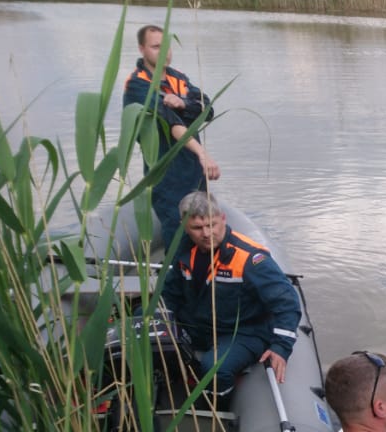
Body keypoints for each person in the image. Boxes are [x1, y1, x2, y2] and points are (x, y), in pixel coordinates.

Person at [161, 192, 300, 397]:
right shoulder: (183, 251)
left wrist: (281, 347)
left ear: (223, 218)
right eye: (198, 228)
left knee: (215, 369)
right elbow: (171, 293)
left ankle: (215, 408)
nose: (206, 233)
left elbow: (286, 301)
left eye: (212, 225)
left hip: (243, 331)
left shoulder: (249, 258)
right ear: (184, 225)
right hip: (198, 325)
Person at [123, 24, 221, 249]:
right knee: (177, 237)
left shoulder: (179, 79)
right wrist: (202, 153)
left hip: (194, 173)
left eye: (167, 46)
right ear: (142, 49)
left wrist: (183, 102)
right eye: (156, 47)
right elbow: (170, 121)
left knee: (202, 232)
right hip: (166, 173)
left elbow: (207, 108)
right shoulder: (137, 84)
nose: (164, 52)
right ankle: (175, 278)